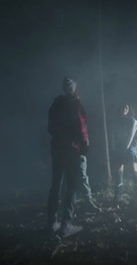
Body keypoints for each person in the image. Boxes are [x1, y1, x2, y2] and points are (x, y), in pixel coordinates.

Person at [46, 77, 89, 237]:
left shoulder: (55, 104)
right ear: (75, 89)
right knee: (72, 185)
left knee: (55, 184)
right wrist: (84, 147)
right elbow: (82, 127)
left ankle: (51, 223)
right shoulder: (75, 104)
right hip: (71, 149)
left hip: (56, 148)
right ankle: (66, 224)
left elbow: (50, 128)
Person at [111, 103, 137, 206]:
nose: (124, 109)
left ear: (129, 109)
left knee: (134, 172)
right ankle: (118, 197)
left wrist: (132, 146)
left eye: (126, 107)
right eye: (122, 107)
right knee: (118, 172)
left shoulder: (133, 122)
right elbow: (114, 136)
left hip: (130, 151)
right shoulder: (116, 122)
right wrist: (114, 147)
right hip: (119, 151)